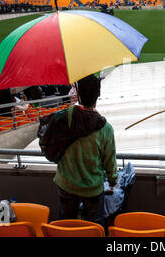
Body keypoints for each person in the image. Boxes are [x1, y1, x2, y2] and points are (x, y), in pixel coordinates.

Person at [53, 74, 117, 227]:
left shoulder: (64, 116)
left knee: (65, 227)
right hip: (93, 188)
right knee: (94, 227)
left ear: (78, 94)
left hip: (65, 183)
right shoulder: (105, 129)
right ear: (99, 94)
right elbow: (110, 161)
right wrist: (113, 180)